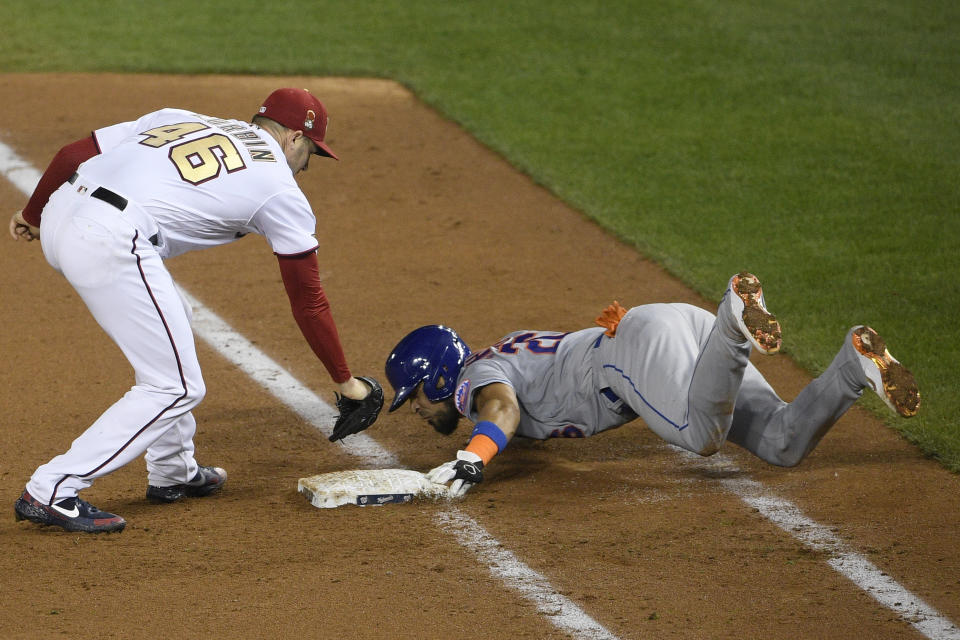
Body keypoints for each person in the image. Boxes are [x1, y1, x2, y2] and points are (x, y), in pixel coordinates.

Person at [10, 88, 384, 533]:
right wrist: (344, 381)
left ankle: (173, 472)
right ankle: (52, 488)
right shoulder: (279, 187)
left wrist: (34, 214)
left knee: (175, 322)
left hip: (62, 213)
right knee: (176, 386)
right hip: (108, 238)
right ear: (292, 138)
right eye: (311, 153)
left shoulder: (181, 118)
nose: (306, 165)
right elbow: (308, 300)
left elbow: (73, 152)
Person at [384, 272, 920, 497]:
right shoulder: (499, 352)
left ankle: (733, 320)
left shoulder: (475, 381)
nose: (417, 412)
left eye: (415, 399)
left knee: (702, 436)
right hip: (664, 330)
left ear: (437, 379)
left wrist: (473, 458)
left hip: (632, 358)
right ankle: (855, 367)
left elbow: (501, 411)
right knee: (782, 443)